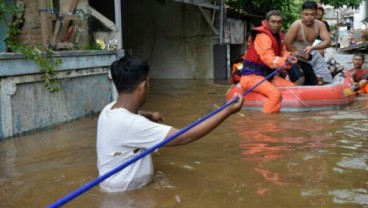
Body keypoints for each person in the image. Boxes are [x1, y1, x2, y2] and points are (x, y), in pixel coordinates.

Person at [96, 54, 244, 192]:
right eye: (149, 82)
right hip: (129, 195)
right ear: (143, 87)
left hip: (115, 189)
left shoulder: (108, 110)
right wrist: (227, 112)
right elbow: (184, 136)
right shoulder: (133, 125)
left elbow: (131, 116)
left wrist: (149, 115)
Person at [239, 10, 298, 113]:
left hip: (267, 76)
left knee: (292, 88)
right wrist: (285, 60)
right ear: (266, 22)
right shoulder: (262, 36)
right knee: (274, 94)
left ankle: (275, 112)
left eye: (279, 22)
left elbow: (283, 54)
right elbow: (269, 59)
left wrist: (291, 57)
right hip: (251, 77)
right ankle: (267, 125)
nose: (276, 25)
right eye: (273, 21)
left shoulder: (279, 36)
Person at [284, 0, 332, 85]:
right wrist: (297, 52)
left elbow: (328, 42)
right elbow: (287, 43)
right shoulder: (296, 25)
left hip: (307, 58)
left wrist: (313, 48)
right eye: (306, 14)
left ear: (316, 14)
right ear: (301, 13)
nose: (309, 17)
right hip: (294, 58)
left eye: (312, 14)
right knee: (300, 79)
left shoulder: (320, 25)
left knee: (312, 83)